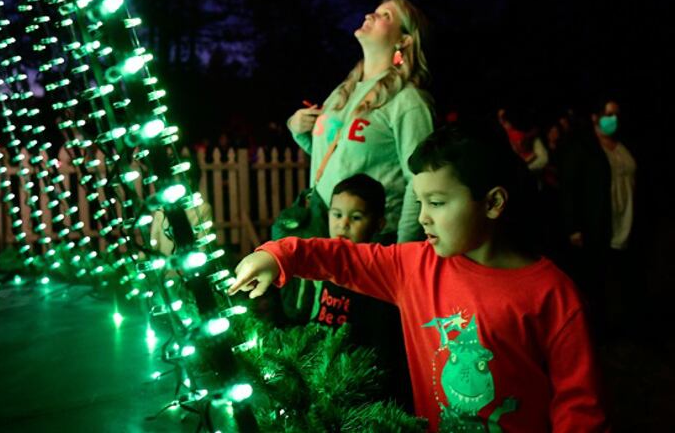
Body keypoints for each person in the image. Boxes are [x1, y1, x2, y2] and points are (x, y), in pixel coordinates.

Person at [229, 125, 608, 432]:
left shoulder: (553, 294)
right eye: (420, 201)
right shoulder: (413, 267)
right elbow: (341, 257)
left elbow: (579, 408)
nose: (423, 217)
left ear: (492, 202)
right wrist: (277, 255)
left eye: (438, 203)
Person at [285, 0, 434, 243]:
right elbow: (339, 157)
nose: (370, 16)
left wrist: (404, 249)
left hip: (371, 239)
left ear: (404, 40)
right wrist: (297, 129)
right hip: (325, 227)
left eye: (386, 16)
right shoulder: (343, 92)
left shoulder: (409, 101)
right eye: (374, 11)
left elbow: (418, 180)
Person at [281, 173, 413, 410]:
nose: (343, 224)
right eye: (337, 214)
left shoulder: (377, 271)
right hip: (322, 373)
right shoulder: (324, 263)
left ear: (378, 224)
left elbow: (382, 341)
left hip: (358, 384)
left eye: (356, 217)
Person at [560, 97, 637, 336]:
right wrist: (573, 227)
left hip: (626, 219)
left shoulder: (624, 146)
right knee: (597, 279)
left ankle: (626, 322)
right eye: (608, 114)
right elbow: (570, 188)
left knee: (625, 275)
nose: (613, 120)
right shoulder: (585, 148)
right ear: (595, 117)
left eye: (617, 115)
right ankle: (598, 329)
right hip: (598, 224)